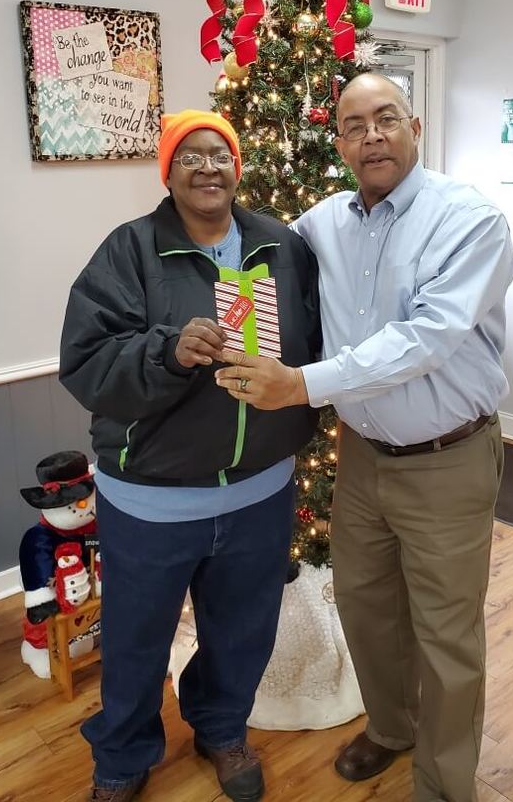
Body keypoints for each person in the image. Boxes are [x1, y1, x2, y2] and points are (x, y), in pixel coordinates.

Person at [216, 73, 513, 802]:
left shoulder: (469, 220)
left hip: (449, 460)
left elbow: (426, 338)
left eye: (386, 118)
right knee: (365, 604)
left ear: (415, 126)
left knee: (446, 634)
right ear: (341, 142)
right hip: (362, 462)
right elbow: (255, 253)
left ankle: (444, 786)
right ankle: (391, 725)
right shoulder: (325, 223)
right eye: (355, 125)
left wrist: (303, 384)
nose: (372, 135)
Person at [59, 110, 320, 802]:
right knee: (137, 641)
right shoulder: (130, 251)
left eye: (220, 154)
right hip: (152, 498)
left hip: (261, 490)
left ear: (238, 167)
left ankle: (221, 728)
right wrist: (165, 351)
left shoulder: (280, 245)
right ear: (168, 172)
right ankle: (122, 757)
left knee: (242, 631)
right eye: (190, 156)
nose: (208, 167)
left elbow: (320, 345)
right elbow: (84, 363)